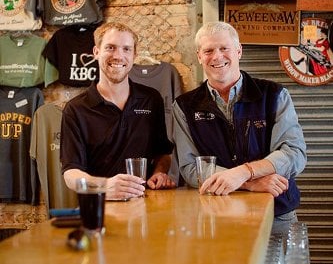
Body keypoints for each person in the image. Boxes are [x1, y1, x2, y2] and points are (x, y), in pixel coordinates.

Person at [172, 21, 307, 235]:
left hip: (276, 215)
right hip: (217, 216)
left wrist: (245, 172)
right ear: (199, 56)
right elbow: (190, 168)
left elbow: (294, 154)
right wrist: (248, 183)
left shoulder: (274, 95)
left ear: (238, 51)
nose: (217, 57)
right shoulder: (184, 106)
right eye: (208, 50)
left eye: (224, 48)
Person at [60, 22, 176, 200]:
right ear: (96, 52)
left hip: (146, 205)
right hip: (99, 207)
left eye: (126, 49)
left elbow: (163, 153)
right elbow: (70, 174)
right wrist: (105, 187)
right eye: (110, 48)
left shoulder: (151, 100)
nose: (118, 56)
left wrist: (159, 173)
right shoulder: (76, 109)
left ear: (134, 55)